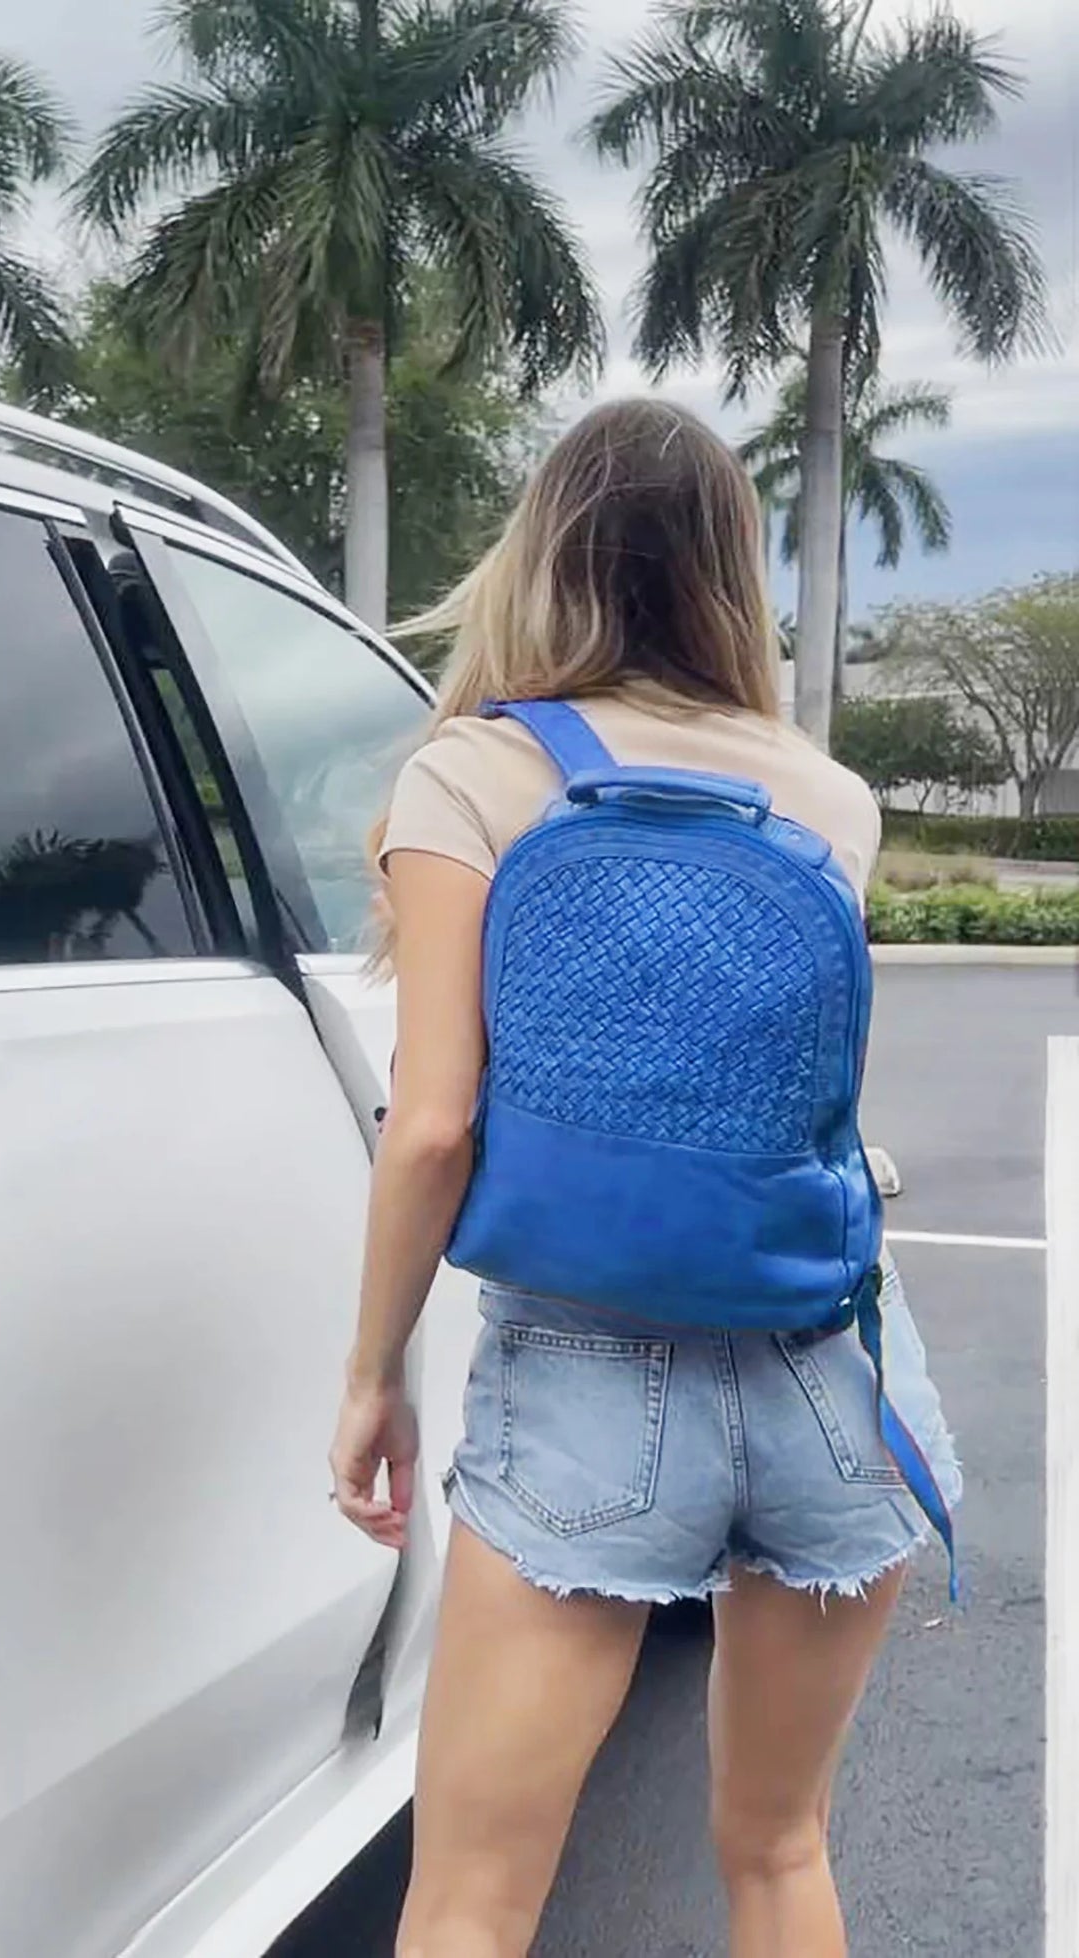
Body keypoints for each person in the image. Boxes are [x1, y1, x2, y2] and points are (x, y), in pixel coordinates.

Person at [329, 398, 961, 1958]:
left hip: (590, 1376)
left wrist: (372, 1372)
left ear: (539, 553)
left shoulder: (473, 773)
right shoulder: (829, 793)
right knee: (780, 1849)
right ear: (735, 571)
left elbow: (433, 1124)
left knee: (473, 1903)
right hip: (833, 1362)